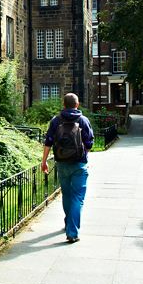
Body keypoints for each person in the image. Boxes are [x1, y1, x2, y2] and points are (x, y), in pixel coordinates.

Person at [40, 93, 93, 242]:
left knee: (67, 195)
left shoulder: (56, 121)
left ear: (63, 105)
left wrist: (44, 162)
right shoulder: (83, 120)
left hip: (62, 164)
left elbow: (48, 142)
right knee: (78, 197)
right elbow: (89, 143)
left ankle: (68, 223)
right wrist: (83, 156)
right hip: (78, 165)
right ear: (77, 105)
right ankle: (72, 231)